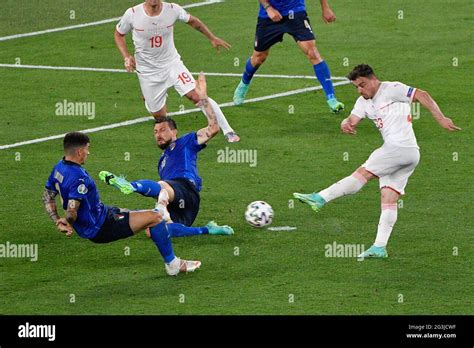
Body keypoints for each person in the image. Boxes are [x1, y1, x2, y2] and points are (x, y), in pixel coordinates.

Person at [293, 64, 461, 258]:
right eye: (356, 86)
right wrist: (345, 123)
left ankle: (321, 197)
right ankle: (379, 247)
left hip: (399, 148)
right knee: (388, 198)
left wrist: (440, 118)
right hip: (408, 155)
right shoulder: (363, 101)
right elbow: (352, 119)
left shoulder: (392, 89)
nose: (360, 90)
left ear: (373, 80)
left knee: (362, 174)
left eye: (362, 85)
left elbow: (422, 95)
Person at [42, 132, 201, 276]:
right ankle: (173, 264)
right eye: (87, 149)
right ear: (79, 152)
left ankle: (162, 212)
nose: (88, 153)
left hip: (104, 213)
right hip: (101, 227)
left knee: (143, 215)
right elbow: (72, 211)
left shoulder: (59, 168)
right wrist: (67, 221)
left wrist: (57, 219)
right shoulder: (78, 177)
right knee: (156, 217)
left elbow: (47, 196)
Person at [99, 73, 234, 239]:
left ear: (174, 131)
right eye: (155, 132)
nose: (158, 135)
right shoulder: (161, 162)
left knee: (162, 186)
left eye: (163, 130)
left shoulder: (186, 142)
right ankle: (208, 229)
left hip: (186, 188)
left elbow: (213, 128)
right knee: (154, 231)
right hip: (182, 206)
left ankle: (130, 186)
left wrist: (203, 98)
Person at [115, 0, 240, 142]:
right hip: (148, 71)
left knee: (196, 95)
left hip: (172, 64)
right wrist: (126, 56)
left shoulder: (173, 9)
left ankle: (228, 130)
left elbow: (193, 21)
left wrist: (212, 37)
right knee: (160, 117)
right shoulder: (132, 14)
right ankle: (149, 99)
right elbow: (119, 34)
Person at [233, 0, 344, 113]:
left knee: (313, 53)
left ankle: (332, 99)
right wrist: (268, 8)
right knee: (258, 58)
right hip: (268, 16)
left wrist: (325, 8)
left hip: (295, 11)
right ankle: (244, 82)